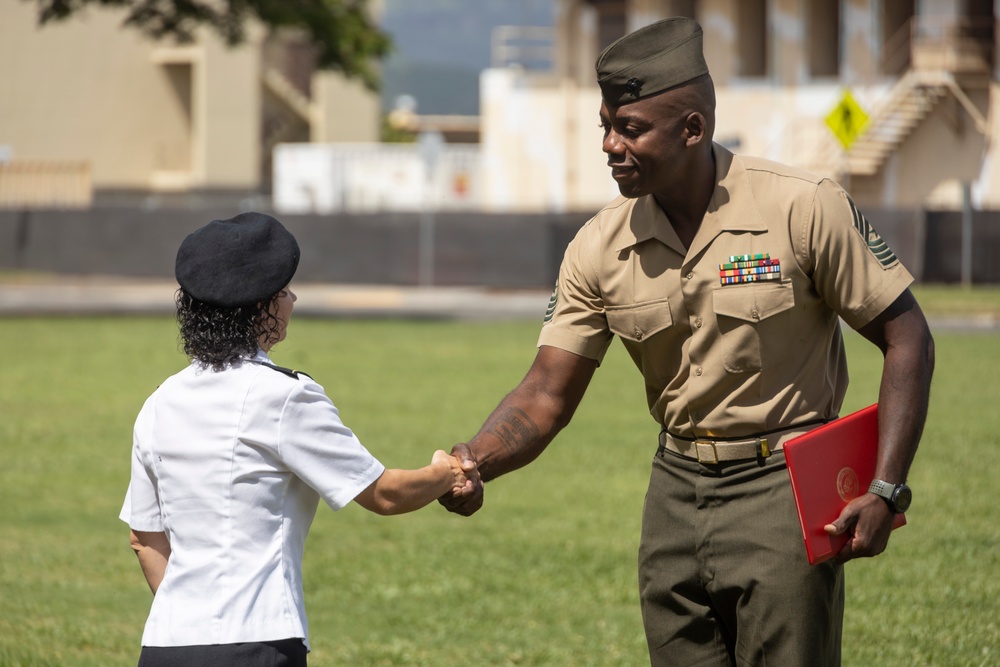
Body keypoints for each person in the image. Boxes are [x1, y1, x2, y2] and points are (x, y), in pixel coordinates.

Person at [440, 17, 934, 667]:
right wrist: (474, 460)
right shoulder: (598, 245)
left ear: (693, 129)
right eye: (606, 126)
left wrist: (886, 487)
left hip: (781, 491)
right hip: (673, 499)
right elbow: (544, 393)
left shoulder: (802, 206)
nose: (611, 145)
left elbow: (908, 337)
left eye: (631, 128)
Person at [120, 211, 478, 667]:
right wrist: (447, 471)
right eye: (285, 290)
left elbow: (143, 537)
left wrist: (194, 622)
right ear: (261, 307)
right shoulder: (283, 397)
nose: (293, 298)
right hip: (256, 646)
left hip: (165, 648)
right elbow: (385, 495)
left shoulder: (158, 402)